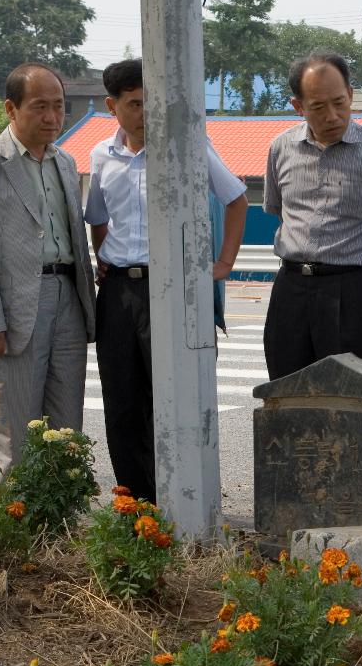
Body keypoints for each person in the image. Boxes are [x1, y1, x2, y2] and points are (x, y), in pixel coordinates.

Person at [83, 59, 248, 502]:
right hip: (118, 291)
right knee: (122, 402)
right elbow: (97, 218)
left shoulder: (188, 145)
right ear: (112, 106)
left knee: (172, 399)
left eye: (151, 102)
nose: (145, 112)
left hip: (171, 290)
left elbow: (236, 199)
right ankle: (135, 503)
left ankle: (182, 499)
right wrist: (104, 259)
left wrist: (223, 264)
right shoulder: (102, 155)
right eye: (135, 104)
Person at [0, 63, 96, 472]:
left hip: (68, 297)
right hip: (12, 311)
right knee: (15, 426)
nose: (52, 118)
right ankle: (18, 527)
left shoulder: (65, 162)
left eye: (59, 106)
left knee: (67, 427)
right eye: (40, 107)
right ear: (11, 110)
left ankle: (60, 527)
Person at [263, 52, 362, 379]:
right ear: (298, 107)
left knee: (353, 398)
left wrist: (351, 254)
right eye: (317, 107)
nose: (332, 116)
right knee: (288, 393)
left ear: (351, 95)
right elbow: (279, 211)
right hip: (292, 289)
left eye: (340, 102)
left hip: (353, 291)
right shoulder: (280, 149)